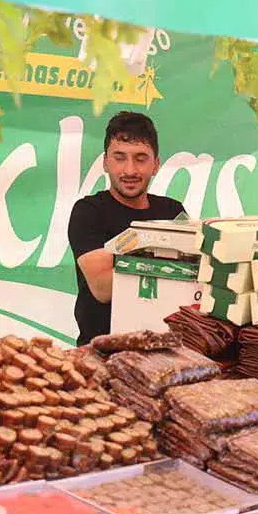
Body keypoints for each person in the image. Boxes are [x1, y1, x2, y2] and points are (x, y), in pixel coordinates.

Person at [67, 112, 185, 345]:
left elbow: (195, 278)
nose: (129, 170)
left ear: (156, 165)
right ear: (105, 162)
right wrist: (170, 262)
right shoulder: (88, 211)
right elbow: (102, 287)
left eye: (141, 158)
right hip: (101, 353)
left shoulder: (172, 211)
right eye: (119, 157)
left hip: (166, 350)